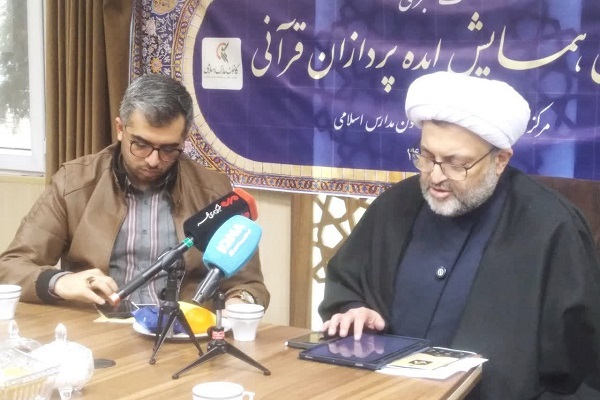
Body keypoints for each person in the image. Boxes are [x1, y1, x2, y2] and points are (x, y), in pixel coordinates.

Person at [319, 71, 600, 399]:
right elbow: (347, 283)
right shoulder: (395, 206)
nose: (436, 176)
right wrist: (354, 308)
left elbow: (581, 367)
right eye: (427, 157)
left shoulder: (552, 227)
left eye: (456, 164)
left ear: (500, 160)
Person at [0, 74, 269, 310]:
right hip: (96, 330)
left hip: (180, 335)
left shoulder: (213, 192)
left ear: (184, 139)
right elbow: (11, 267)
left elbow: (247, 284)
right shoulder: (74, 183)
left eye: (168, 149)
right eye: (140, 144)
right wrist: (61, 281)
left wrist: (239, 303)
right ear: (120, 129)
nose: (153, 160)